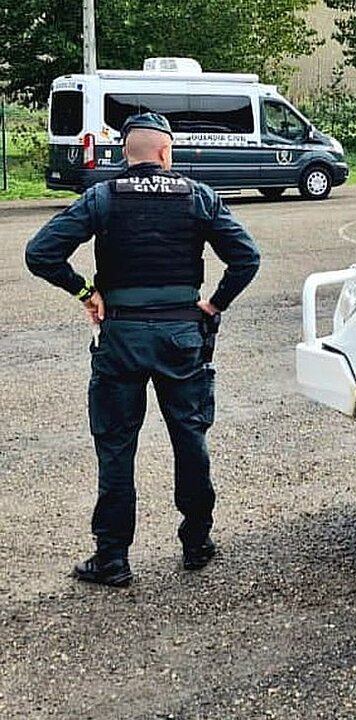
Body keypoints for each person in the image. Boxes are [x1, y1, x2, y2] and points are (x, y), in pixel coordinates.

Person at [23, 112, 261, 587]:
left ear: (124, 155)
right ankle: (196, 542)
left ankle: (112, 557)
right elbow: (246, 258)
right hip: (182, 338)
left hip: (121, 338)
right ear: (166, 153)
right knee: (190, 439)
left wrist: (85, 291)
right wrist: (212, 306)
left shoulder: (102, 198)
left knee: (116, 447)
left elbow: (40, 253)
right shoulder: (198, 197)